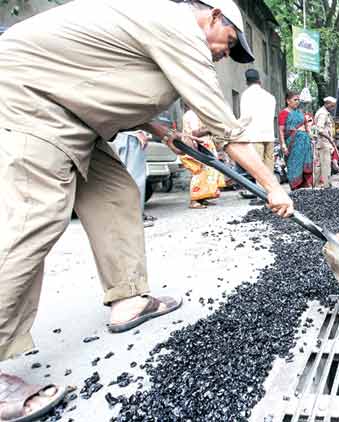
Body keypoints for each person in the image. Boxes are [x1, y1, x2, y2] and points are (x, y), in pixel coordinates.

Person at [0, 0, 294, 418]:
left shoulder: (161, 27)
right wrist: (273, 188)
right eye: (230, 42)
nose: (227, 53)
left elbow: (104, 80)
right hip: (30, 98)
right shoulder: (180, 29)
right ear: (212, 16)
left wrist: (158, 128)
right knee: (36, 218)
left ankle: (129, 299)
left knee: (117, 192)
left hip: (75, 113)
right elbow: (227, 130)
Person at [237, 68, 276, 200]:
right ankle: (271, 193)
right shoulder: (270, 97)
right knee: (268, 167)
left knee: (258, 167)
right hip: (269, 135)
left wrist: (235, 129)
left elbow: (245, 118)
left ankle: (261, 196)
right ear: (260, 81)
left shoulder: (247, 95)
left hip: (255, 136)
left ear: (246, 82)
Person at [181, 107, 226, 208]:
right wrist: (212, 128)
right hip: (199, 147)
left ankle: (202, 199)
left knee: (207, 174)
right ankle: (194, 201)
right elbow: (195, 133)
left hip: (204, 146)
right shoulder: (191, 114)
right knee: (199, 173)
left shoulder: (196, 114)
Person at [111, 130, 156, 227]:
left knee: (129, 177)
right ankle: (133, 218)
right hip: (130, 136)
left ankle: (133, 216)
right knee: (134, 179)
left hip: (125, 135)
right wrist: (137, 132)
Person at [279, 91, 314, 190]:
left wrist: (310, 135)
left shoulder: (300, 112)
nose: (297, 102)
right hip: (292, 143)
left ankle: (304, 187)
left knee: (304, 163)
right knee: (294, 164)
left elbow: (306, 125)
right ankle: (295, 186)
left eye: (298, 99)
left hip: (304, 142)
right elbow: (281, 130)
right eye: (295, 100)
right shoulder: (284, 113)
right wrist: (283, 145)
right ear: (288, 101)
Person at [314, 97, 337, 188]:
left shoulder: (325, 113)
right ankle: (326, 186)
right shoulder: (323, 114)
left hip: (323, 143)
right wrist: (330, 139)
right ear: (327, 104)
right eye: (332, 106)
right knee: (325, 166)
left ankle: (317, 186)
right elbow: (320, 130)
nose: (333, 108)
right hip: (324, 143)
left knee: (319, 166)